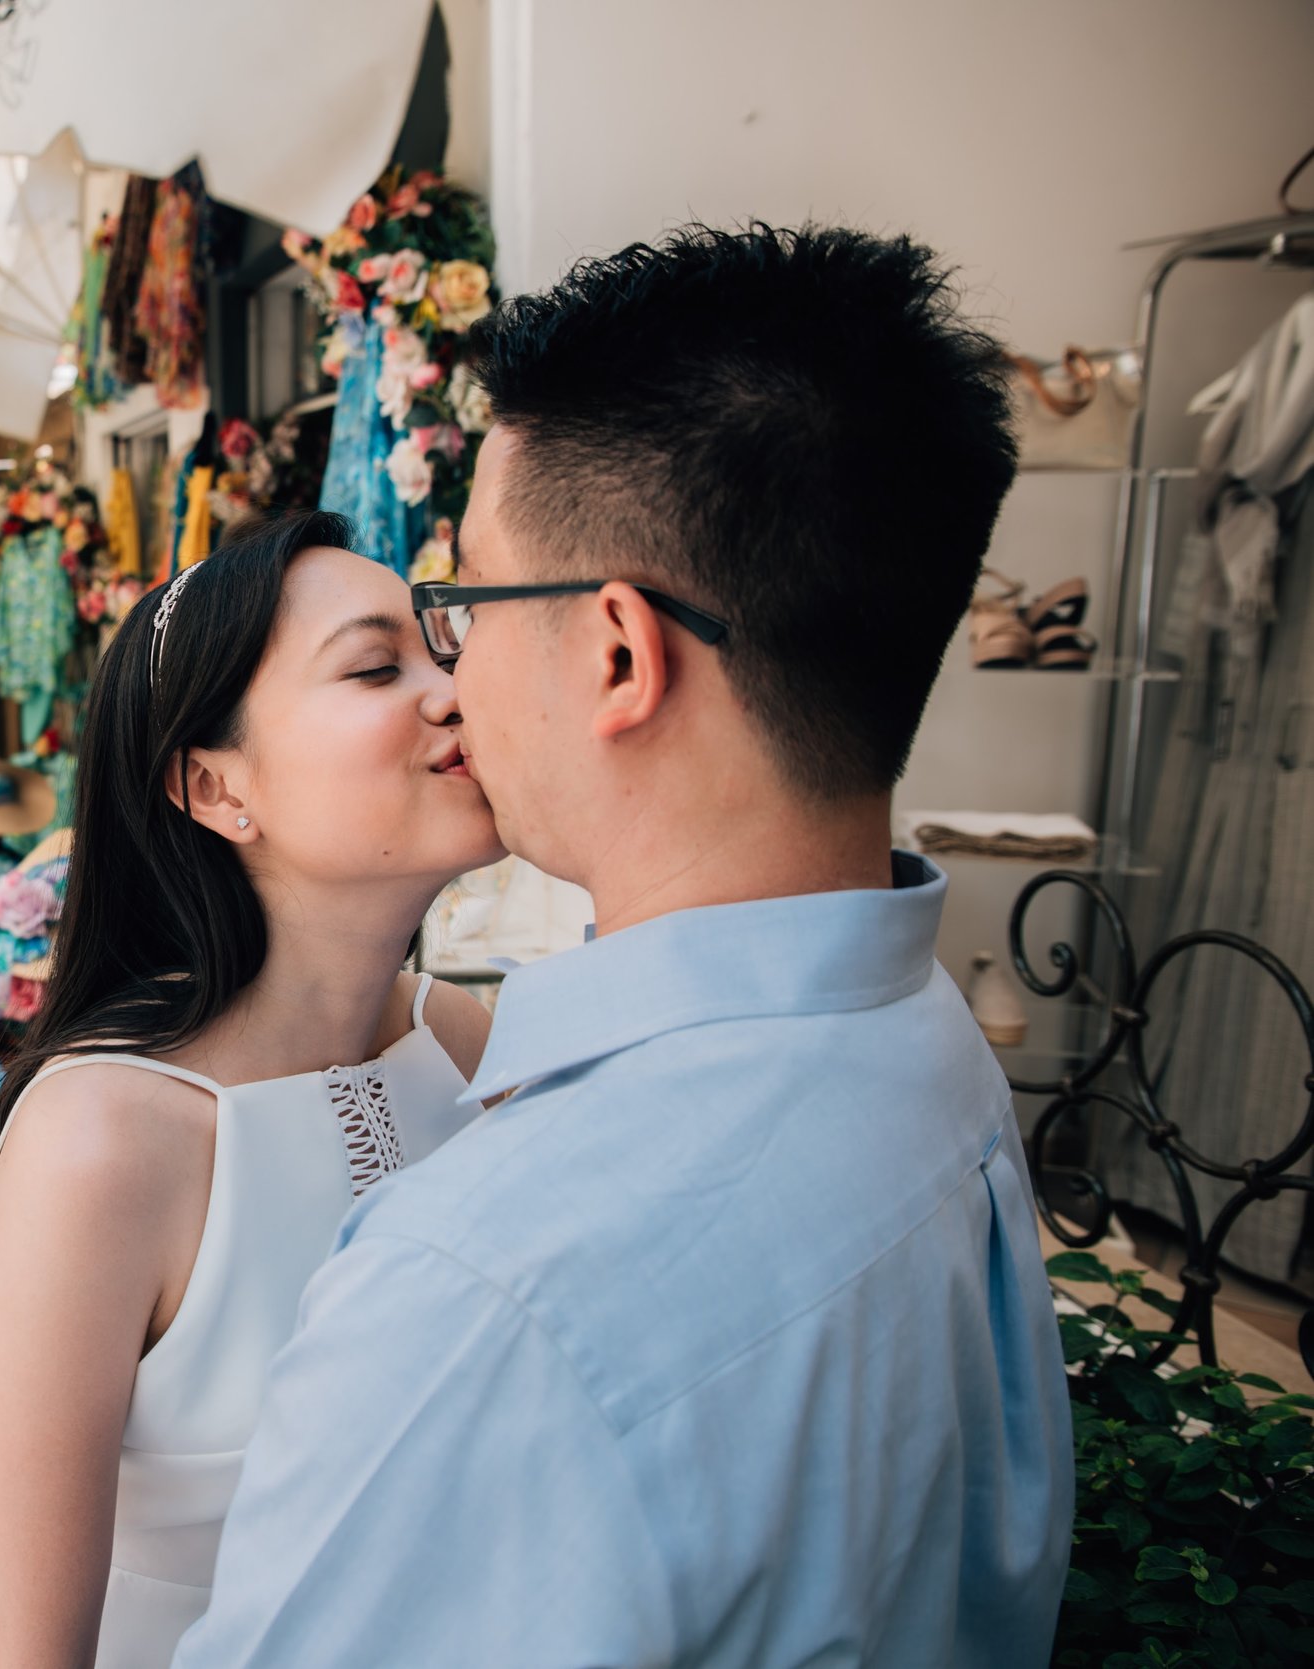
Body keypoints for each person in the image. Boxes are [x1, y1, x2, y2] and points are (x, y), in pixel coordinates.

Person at [175, 228, 1074, 1666]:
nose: (447, 686)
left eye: (462, 605)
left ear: (615, 653)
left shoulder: (490, 1291)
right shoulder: (929, 1047)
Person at [0, 510, 499, 1667]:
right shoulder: (99, 1141)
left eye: (441, 649)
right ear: (212, 787)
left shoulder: (466, 1046)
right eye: (373, 666)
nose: (453, 694)